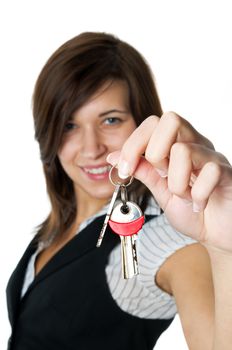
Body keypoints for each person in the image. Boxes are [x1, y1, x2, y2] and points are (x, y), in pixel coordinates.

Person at [6, 32, 232, 350]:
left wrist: (225, 252)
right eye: (69, 125)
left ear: (142, 124)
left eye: (110, 120)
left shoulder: (164, 239)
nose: (91, 148)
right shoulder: (56, 227)